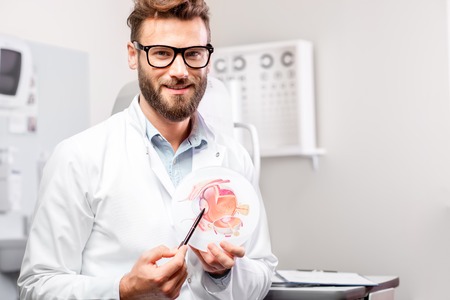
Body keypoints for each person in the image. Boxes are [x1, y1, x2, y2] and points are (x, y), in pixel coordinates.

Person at [17, 0, 278, 299]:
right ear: (133, 55)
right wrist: (124, 289)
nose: (180, 71)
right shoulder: (78, 157)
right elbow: (37, 287)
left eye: (193, 54)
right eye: (162, 54)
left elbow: (262, 272)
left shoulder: (234, 157)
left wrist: (222, 274)